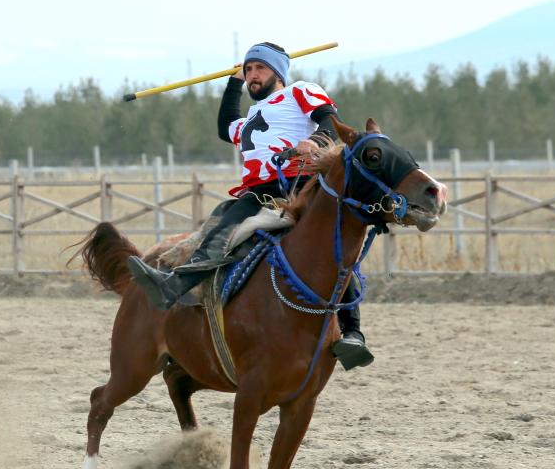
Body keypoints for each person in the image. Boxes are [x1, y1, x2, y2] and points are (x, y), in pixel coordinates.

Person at [126, 42, 374, 370]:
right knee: (218, 231)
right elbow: (224, 126)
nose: (253, 75)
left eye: (259, 69)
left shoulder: (300, 92)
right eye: (249, 70)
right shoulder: (252, 117)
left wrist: (313, 142)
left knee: (333, 249)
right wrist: (233, 82)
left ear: (278, 73)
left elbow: (329, 121)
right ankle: (175, 286)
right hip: (256, 193)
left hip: (299, 186)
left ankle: (352, 332)